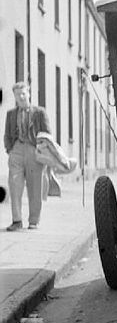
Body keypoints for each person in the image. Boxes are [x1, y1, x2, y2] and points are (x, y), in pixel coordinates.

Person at [4, 81, 51, 231]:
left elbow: (47, 134)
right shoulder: (10, 114)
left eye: (23, 93)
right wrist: (10, 150)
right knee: (14, 184)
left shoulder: (39, 112)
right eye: (18, 95)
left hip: (34, 150)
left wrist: (42, 151)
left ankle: (34, 221)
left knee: (35, 186)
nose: (21, 97)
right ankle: (17, 220)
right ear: (15, 97)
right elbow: (6, 134)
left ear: (29, 93)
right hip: (16, 150)